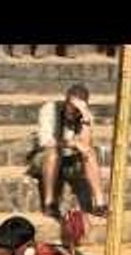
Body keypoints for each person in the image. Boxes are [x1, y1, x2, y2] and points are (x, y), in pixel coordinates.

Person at [28, 83, 108, 219]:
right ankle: (49, 203)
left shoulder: (85, 115)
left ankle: (100, 204)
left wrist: (85, 119)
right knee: (53, 153)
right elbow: (46, 142)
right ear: (66, 100)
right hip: (44, 158)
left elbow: (86, 145)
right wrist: (74, 143)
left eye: (77, 108)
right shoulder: (49, 109)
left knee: (90, 153)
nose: (72, 110)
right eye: (70, 106)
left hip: (71, 159)